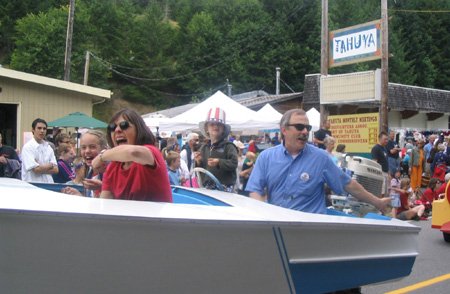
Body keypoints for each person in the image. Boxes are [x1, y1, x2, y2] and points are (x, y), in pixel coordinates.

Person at [246, 109, 392, 214]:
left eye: (307, 128)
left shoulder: (321, 158)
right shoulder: (266, 157)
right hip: (279, 230)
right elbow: (255, 190)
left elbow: (348, 184)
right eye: (299, 127)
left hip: (311, 231)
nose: (304, 131)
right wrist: (262, 215)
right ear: (284, 130)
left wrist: (377, 202)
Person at [92, 109, 172, 202]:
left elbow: (132, 153)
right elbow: (105, 204)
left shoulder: (152, 152)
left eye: (124, 125)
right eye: (112, 127)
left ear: (139, 130)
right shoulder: (112, 168)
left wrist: (102, 156)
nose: (117, 130)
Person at [194, 107, 238, 192]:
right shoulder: (203, 148)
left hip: (224, 186)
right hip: (206, 186)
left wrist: (219, 162)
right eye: (212, 124)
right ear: (207, 129)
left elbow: (234, 163)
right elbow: (199, 170)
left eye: (219, 124)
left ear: (223, 129)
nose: (215, 126)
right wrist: (198, 162)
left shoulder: (229, 146)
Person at [62, 130, 108, 197]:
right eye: (83, 147)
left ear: (104, 150)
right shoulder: (90, 173)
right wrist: (80, 195)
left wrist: (102, 187)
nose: (87, 151)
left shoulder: (110, 171)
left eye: (92, 147)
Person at [21, 118, 58, 182]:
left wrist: (40, 167)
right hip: (33, 186)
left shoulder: (49, 148)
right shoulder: (28, 147)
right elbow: (36, 169)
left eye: (44, 129)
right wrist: (50, 165)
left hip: (48, 185)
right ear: (33, 130)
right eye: (39, 128)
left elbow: (56, 170)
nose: (42, 131)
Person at [371, 132, 389, 198]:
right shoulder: (376, 148)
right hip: (380, 173)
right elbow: (374, 162)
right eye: (385, 139)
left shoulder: (384, 148)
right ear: (380, 139)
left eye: (387, 139)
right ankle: (378, 206)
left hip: (385, 172)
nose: (386, 141)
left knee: (384, 192)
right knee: (380, 191)